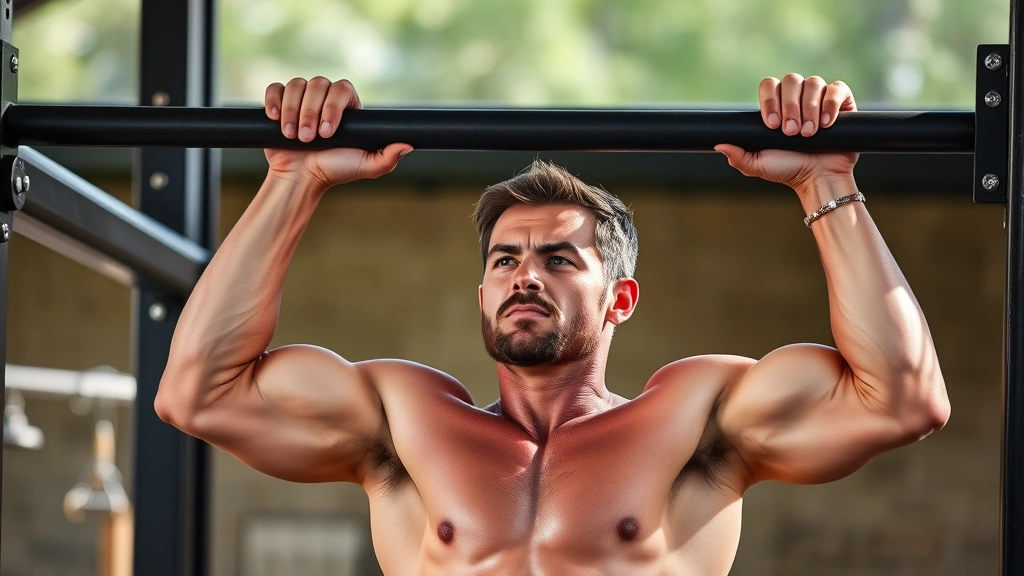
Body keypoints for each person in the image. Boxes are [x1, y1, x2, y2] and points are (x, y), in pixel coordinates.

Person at [155, 74, 950, 575]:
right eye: (504, 261)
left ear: (620, 301)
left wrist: (824, 185)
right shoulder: (406, 421)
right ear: (481, 293)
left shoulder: (694, 419)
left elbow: (904, 400)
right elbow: (197, 394)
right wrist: (293, 182)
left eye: (561, 261)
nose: (525, 274)